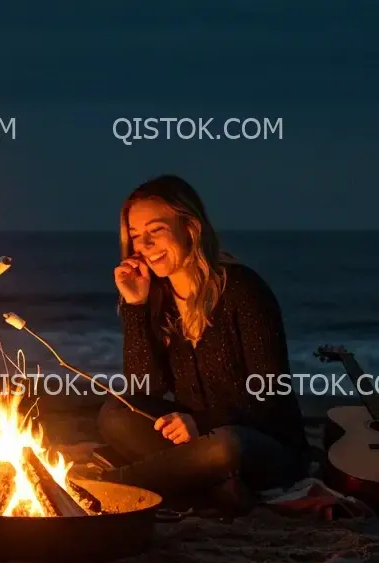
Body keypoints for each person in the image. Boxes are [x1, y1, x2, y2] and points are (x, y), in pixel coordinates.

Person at [96, 174, 309, 512]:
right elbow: (146, 388)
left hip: (262, 442)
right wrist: (136, 307)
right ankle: (213, 489)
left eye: (156, 231)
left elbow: (272, 395)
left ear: (190, 228)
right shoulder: (157, 296)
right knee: (115, 413)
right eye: (136, 236)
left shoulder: (242, 289)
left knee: (225, 446)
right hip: (194, 437)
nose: (144, 246)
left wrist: (203, 422)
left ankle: (114, 486)